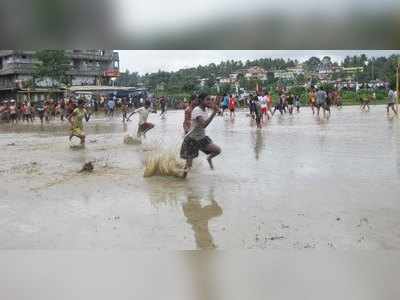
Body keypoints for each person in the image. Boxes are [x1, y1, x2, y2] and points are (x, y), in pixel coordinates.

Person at [180, 93, 221, 178]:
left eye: (210, 99)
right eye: (207, 99)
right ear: (201, 101)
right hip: (191, 140)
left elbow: (215, 105)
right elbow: (204, 125)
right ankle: (181, 180)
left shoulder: (205, 109)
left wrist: (216, 103)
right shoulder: (197, 110)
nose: (209, 101)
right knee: (189, 166)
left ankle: (209, 158)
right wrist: (214, 113)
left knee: (217, 150)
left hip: (201, 139)